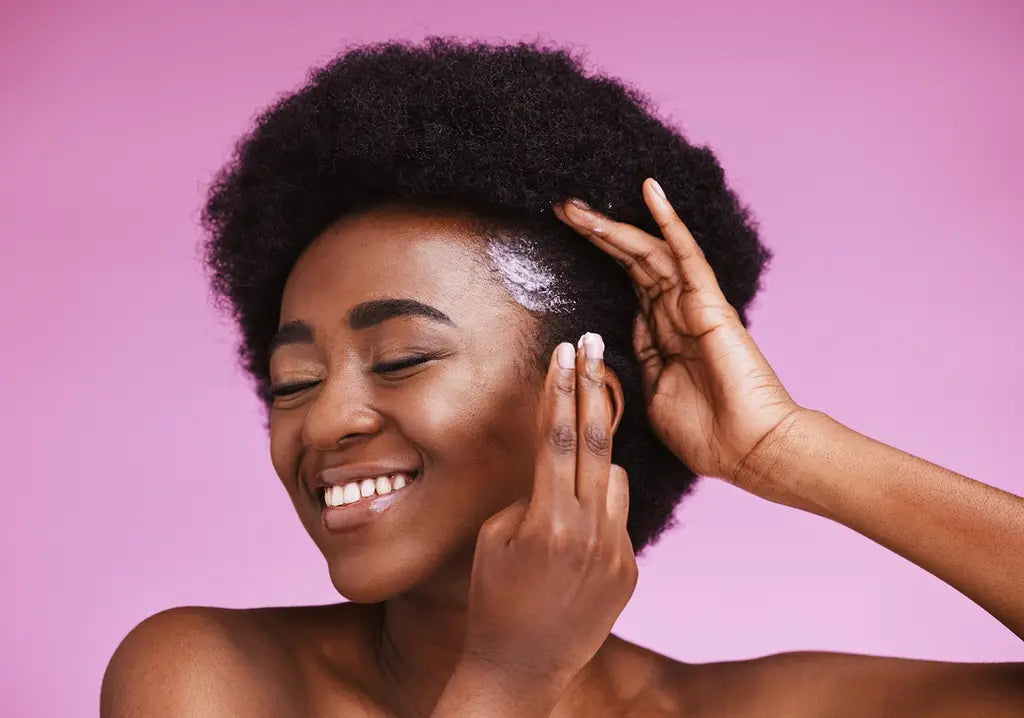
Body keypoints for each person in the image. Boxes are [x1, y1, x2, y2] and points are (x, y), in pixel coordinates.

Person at [100, 37, 1024, 716]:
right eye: (292, 381)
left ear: (586, 402)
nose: (326, 419)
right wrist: (508, 680)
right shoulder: (208, 677)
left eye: (403, 360)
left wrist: (786, 448)